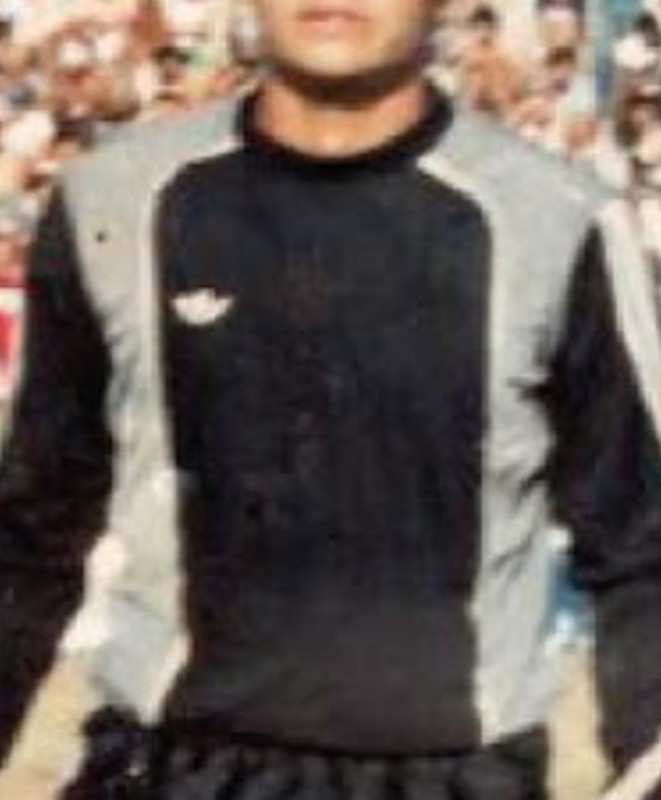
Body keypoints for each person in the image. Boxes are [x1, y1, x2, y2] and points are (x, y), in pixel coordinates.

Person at [1, 0, 661, 798]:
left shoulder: (557, 219)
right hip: (168, 768)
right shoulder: (112, 200)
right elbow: (32, 528)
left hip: (448, 779)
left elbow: (641, 542)